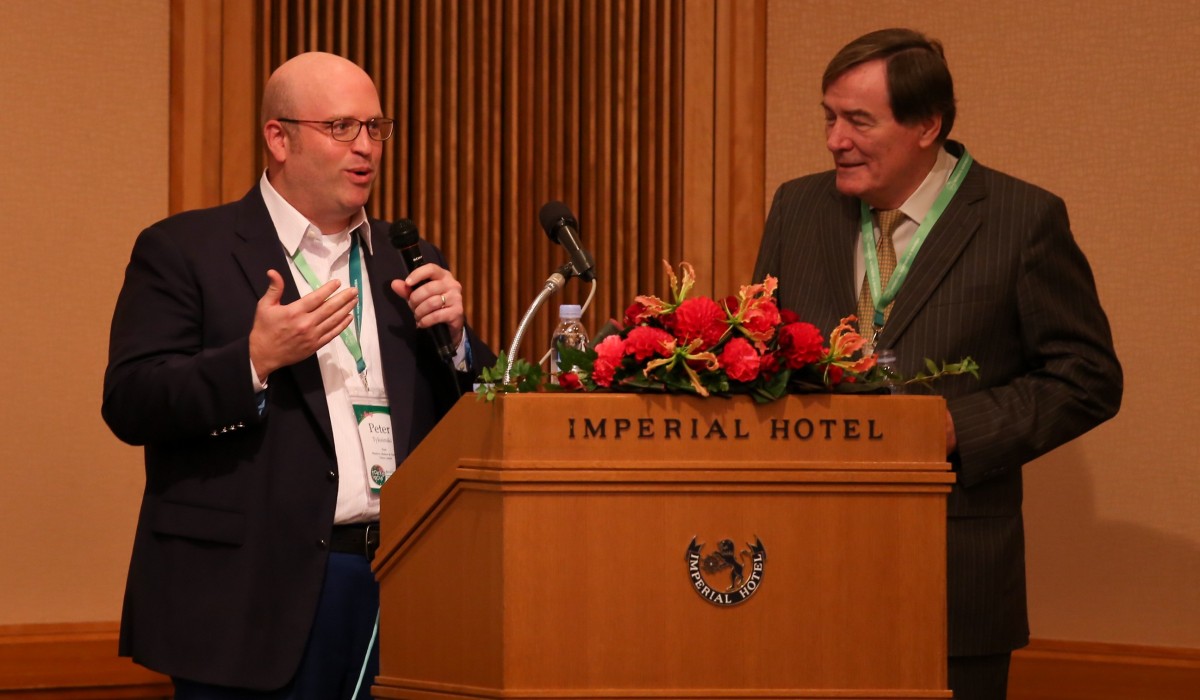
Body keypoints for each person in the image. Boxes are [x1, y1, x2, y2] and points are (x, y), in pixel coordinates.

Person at [102, 52, 494, 699]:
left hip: (396, 579)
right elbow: (131, 401)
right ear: (278, 138)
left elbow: (468, 415)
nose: (365, 147)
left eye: (375, 128)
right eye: (341, 128)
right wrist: (252, 361)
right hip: (250, 596)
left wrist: (458, 343)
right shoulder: (185, 251)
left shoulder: (406, 260)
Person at [753, 28, 1122, 700]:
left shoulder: (1022, 219)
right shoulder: (797, 208)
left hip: (953, 579)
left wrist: (956, 428)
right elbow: (763, 357)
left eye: (859, 120)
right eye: (829, 118)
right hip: (801, 568)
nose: (835, 139)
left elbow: (1087, 378)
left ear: (928, 125)